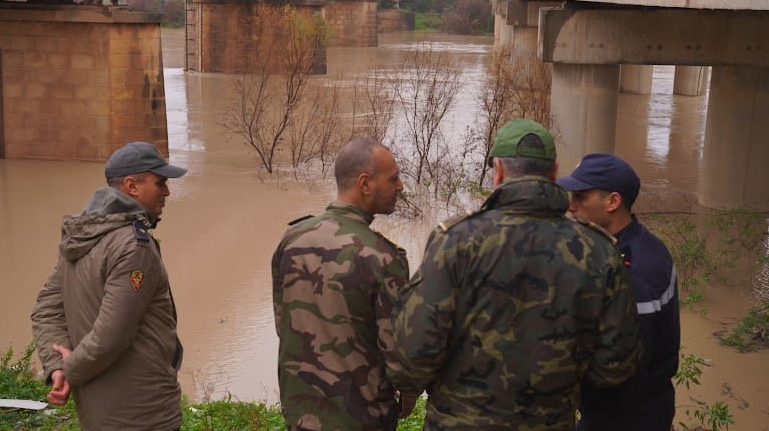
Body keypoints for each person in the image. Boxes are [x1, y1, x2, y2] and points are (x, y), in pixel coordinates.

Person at [388, 118, 642, 429]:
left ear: (497, 172)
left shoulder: (455, 241)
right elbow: (615, 367)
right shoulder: (598, 251)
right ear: (554, 173)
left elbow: (410, 360)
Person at [31, 141, 187, 430]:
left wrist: (57, 368)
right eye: (160, 182)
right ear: (131, 186)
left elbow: (45, 311)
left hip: (96, 409)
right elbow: (112, 335)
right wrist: (69, 369)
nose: (166, 192)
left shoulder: (81, 236)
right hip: (142, 414)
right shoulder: (133, 246)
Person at [272, 138, 419, 430]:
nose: (400, 186)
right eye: (394, 179)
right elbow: (398, 355)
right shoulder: (383, 257)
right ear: (365, 183)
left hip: (300, 413)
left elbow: (283, 323)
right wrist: (411, 393)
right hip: (360, 418)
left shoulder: (291, 239)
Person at [557, 153, 680, 430]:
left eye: (581, 197)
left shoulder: (635, 272)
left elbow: (629, 370)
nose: (571, 207)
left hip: (625, 417)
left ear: (613, 201)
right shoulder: (636, 245)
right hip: (638, 408)